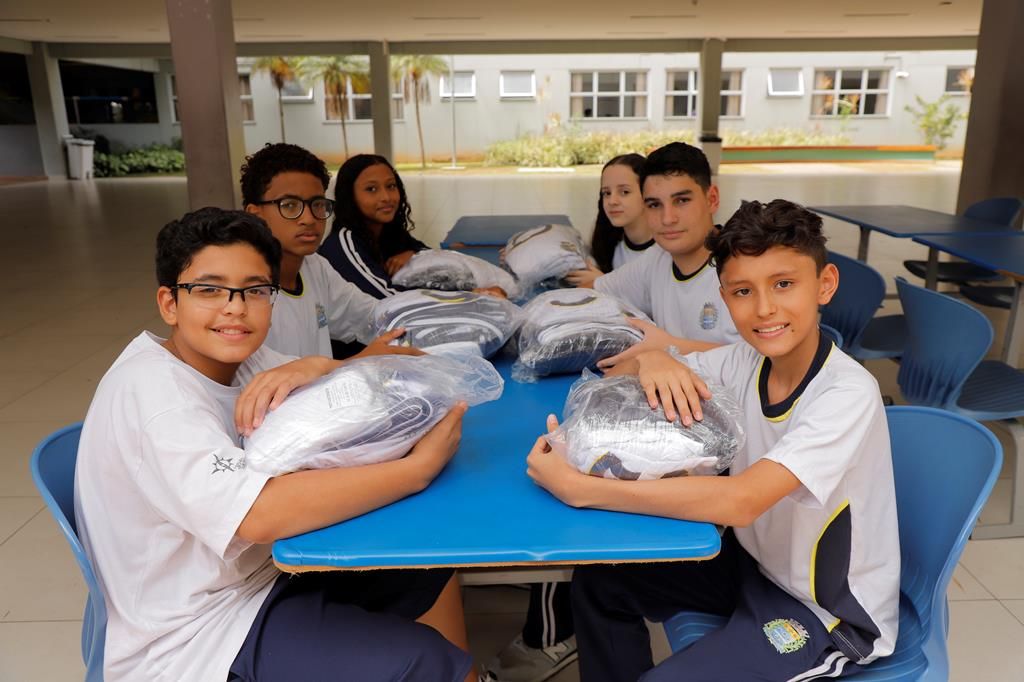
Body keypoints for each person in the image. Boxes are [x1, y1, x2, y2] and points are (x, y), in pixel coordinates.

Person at [74, 207, 479, 682]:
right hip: (196, 631)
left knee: (428, 567)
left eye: (254, 290)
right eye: (209, 289)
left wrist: (319, 365)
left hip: (262, 577)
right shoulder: (156, 396)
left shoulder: (243, 358)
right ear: (170, 303)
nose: (235, 307)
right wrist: (415, 471)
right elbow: (258, 515)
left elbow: (390, 382)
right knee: (423, 660)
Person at [525, 199, 900, 682]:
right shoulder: (747, 360)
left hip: (824, 611)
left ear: (824, 284)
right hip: (750, 568)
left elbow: (741, 501)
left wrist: (580, 488)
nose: (764, 308)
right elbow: (629, 371)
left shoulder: (846, 392)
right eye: (743, 291)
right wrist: (655, 359)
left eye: (784, 284)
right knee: (601, 582)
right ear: (724, 297)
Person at [585, 142, 741, 369]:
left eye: (682, 200)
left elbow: (767, 360)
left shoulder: (742, 267)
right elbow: (593, 292)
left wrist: (669, 348)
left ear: (712, 199)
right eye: (654, 205)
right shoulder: (657, 258)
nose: (668, 219)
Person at [241, 143, 378, 359]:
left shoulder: (315, 266)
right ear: (255, 214)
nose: (309, 219)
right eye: (289, 205)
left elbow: (371, 316)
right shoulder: (240, 292)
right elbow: (273, 377)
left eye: (317, 204)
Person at [319, 153, 429, 299]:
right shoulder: (342, 244)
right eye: (371, 189)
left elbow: (446, 264)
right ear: (350, 196)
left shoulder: (388, 232)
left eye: (391, 186)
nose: (386, 197)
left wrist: (415, 256)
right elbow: (390, 299)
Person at [566, 153, 655, 289]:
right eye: (607, 193)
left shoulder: (667, 251)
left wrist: (602, 282)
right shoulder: (609, 245)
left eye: (624, 192)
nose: (612, 201)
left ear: (648, 193)